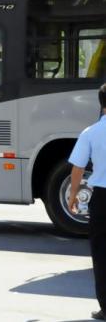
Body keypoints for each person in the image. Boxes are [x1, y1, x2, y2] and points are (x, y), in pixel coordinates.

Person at [69, 83, 106, 320]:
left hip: (102, 199)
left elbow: (78, 168)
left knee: (102, 253)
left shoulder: (91, 132)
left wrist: (73, 196)